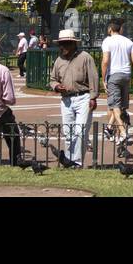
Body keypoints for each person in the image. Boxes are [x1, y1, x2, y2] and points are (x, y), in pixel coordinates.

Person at [50, 29, 98, 167]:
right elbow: (53, 79)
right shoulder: (59, 60)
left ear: (73, 43)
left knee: (80, 132)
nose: (62, 47)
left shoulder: (85, 57)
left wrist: (93, 97)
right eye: (60, 44)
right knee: (68, 132)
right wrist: (57, 86)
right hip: (66, 100)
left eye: (65, 44)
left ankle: (76, 162)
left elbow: (93, 77)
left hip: (83, 97)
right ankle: (69, 161)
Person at [99, 19, 133, 138]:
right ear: (120, 29)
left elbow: (105, 61)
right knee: (121, 105)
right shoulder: (129, 41)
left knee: (114, 105)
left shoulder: (107, 41)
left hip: (113, 75)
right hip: (126, 75)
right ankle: (111, 129)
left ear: (110, 29)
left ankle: (122, 131)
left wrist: (103, 79)